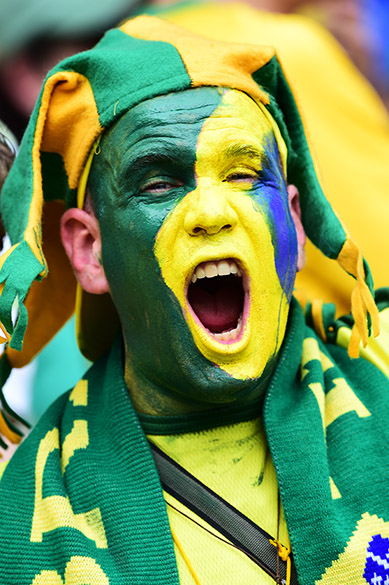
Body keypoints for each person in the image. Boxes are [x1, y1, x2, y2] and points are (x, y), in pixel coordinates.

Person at [0, 15, 388, 585]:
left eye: (242, 175)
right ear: (89, 249)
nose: (211, 213)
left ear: (295, 227)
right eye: (158, 183)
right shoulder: (27, 513)